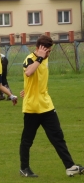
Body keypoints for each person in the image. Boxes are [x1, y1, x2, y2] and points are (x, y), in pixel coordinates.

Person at [20, 35, 84, 177]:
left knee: (57, 137)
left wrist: (28, 89)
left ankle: (70, 167)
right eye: (47, 51)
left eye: (49, 51)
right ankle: (24, 168)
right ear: (39, 49)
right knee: (27, 140)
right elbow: (29, 72)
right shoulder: (31, 58)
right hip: (32, 108)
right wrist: (40, 57)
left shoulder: (44, 59)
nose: (49, 54)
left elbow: (36, 81)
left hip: (47, 106)